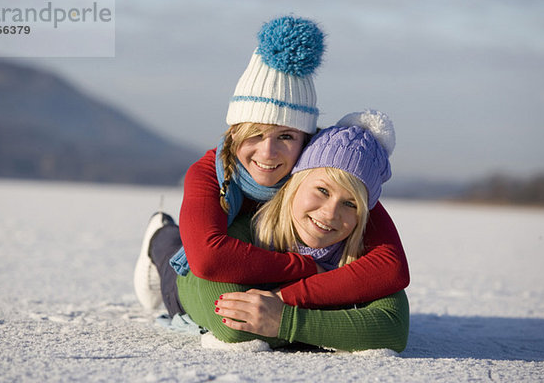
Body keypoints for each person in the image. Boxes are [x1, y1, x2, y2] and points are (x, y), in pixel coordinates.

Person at [133, 15, 409, 347]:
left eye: (287, 136)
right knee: (172, 249)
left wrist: (285, 307)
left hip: (261, 266)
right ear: (234, 132)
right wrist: (313, 271)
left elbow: (390, 266)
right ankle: (159, 235)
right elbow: (208, 258)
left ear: (306, 140)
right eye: (255, 133)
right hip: (203, 257)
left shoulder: (328, 173)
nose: (268, 152)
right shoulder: (211, 173)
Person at [174, 111, 409, 352]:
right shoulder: (252, 230)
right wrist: (339, 325)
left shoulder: (360, 255)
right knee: (167, 245)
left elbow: (392, 331)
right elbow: (235, 327)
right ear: (294, 183)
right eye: (322, 191)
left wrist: (284, 319)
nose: (330, 213)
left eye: (350, 204)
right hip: (176, 284)